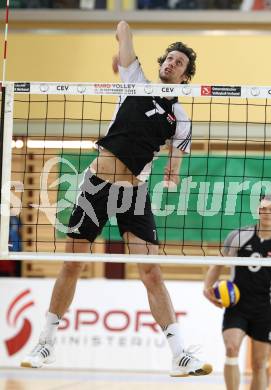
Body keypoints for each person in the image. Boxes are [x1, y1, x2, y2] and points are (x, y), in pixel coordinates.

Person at [21, 20, 212, 377]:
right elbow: (123, 26)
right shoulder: (134, 80)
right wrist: (118, 54)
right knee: (72, 264)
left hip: (135, 193)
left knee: (152, 273)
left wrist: (173, 173)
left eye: (179, 63)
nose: (171, 64)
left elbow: (175, 163)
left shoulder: (181, 118)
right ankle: (46, 340)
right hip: (96, 186)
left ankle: (179, 353)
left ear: (186, 77)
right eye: (168, 59)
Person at [203, 195, 271, 390]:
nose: (266, 212)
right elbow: (218, 264)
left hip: (266, 308)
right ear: (257, 210)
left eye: (270, 209)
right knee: (231, 348)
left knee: (259, 364)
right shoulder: (239, 236)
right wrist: (207, 288)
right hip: (237, 304)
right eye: (263, 208)